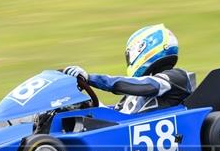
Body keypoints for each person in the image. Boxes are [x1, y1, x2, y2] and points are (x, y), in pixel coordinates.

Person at [63, 24, 194, 114]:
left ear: (142, 49)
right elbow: (116, 117)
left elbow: (148, 86)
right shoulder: (131, 95)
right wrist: (84, 103)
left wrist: (91, 78)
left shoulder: (177, 77)